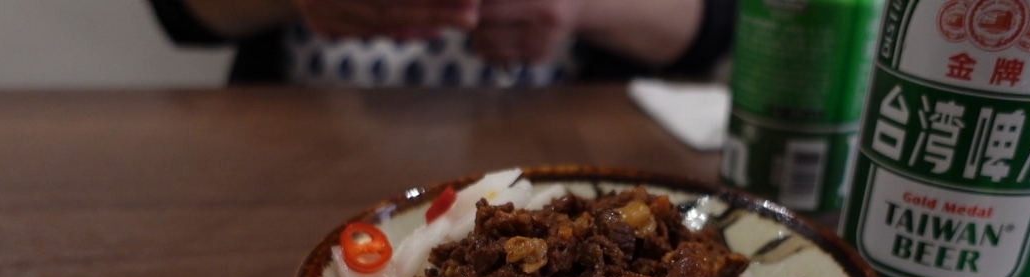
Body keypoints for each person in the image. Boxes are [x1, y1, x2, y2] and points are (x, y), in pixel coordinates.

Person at [148, 0, 736, 86]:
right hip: (300, 142)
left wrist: (582, 7)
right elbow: (181, 12)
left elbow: (717, 24)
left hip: (557, 144)